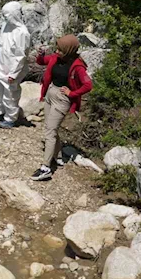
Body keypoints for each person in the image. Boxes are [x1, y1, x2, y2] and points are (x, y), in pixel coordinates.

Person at [32, 35, 93, 182]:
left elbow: (88, 85)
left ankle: (45, 167)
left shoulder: (77, 66)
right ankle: (57, 156)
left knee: (50, 131)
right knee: (50, 127)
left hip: (62, 99)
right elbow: (41, 62)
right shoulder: (55, 58)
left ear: (68, 50)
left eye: (60, 49)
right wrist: (41, 54)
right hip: (50, 94)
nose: (57, 51)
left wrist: (72, 93)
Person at [0, 2, 31, 129]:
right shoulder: (6, 26)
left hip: (11, 69)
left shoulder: (22, 33)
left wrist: (14, 73)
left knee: (10, 93)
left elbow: (20, 55)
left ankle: (11, 118)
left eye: (7, 14)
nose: (5, 17)